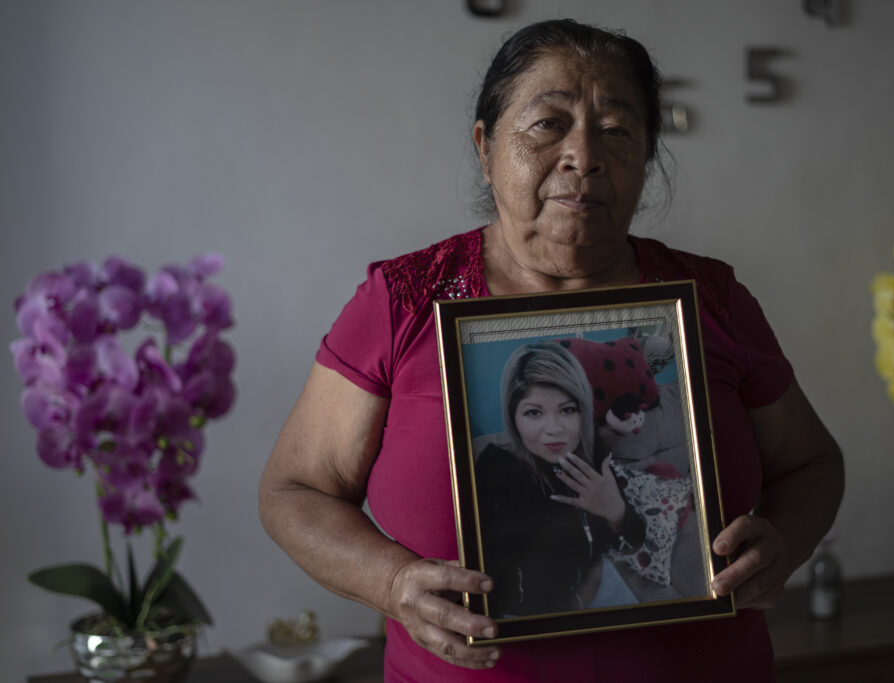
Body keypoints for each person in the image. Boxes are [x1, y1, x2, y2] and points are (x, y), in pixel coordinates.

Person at [259, 18, 844, 682]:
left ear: (647, 157)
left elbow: (813, 463)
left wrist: (784, 545)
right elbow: (294, 489)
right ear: (485, 147)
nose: (583, 155)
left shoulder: (711, 300)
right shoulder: (402, 302)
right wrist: (392, 583)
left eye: (617, 130)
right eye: (548, 124)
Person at [474, 341, 646, 617]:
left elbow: (637, 537)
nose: (554, 429)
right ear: (513, 417)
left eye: (567, 410)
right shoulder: (495, 472)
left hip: (603, 593)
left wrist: (616, 511)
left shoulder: (590, 455)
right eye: (533, 412)